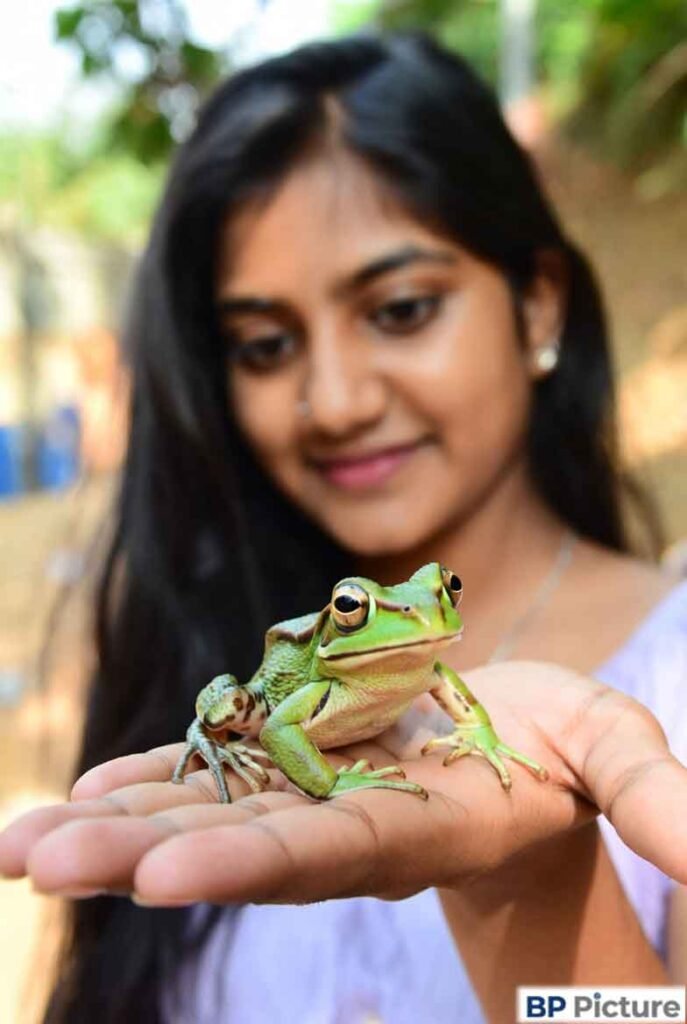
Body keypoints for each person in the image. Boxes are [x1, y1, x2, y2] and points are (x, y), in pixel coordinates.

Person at [1, 31, 686, 1024]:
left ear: (537, 305)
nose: (333, 400)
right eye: (267, 344)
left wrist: (528, 880)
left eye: (402, 309)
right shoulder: (195, 627)